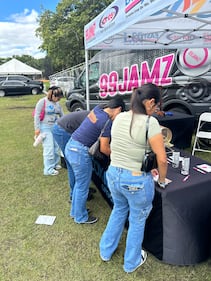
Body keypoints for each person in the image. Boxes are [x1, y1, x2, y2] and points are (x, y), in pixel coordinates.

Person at [99, 83, 168, 273]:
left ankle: (105, 251)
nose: (156, 110)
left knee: (119, 210)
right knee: (137, 219)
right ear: (151, 102)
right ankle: (131, 262)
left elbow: (124, 146)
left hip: (113, 174)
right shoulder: (149, 122)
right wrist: (161, 181)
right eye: (157, 106)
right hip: (136, 180)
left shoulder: (119, 116)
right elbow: (162, 159)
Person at [65, 96, 126, 224]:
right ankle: (80, 217)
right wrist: (118, 155)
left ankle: (75, 212)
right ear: (119, 109)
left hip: (71, 145)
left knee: (79, 184)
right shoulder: (107, 122)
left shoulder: (98, 109)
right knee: (83, 186)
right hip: (79, 152)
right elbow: (104, 149)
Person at [52, 111, 96, 200]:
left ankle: (79, 190)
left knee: (74, 163)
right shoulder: (98, 120)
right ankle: (74, 195)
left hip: (66, 127)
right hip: (62, 130)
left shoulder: (98, 116)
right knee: (72, 164)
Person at [34, 86, 64, 176]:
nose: (59, 99)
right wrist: (37, 129)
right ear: (52, 95)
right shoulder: (42, 102)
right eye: (57, 97)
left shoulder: (57, 104)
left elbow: (62, 115)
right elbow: (37, 115)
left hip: (55, 127)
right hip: (45, 128)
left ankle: (54, 164)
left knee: (56, 146)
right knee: (49, 147)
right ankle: (48, 169)